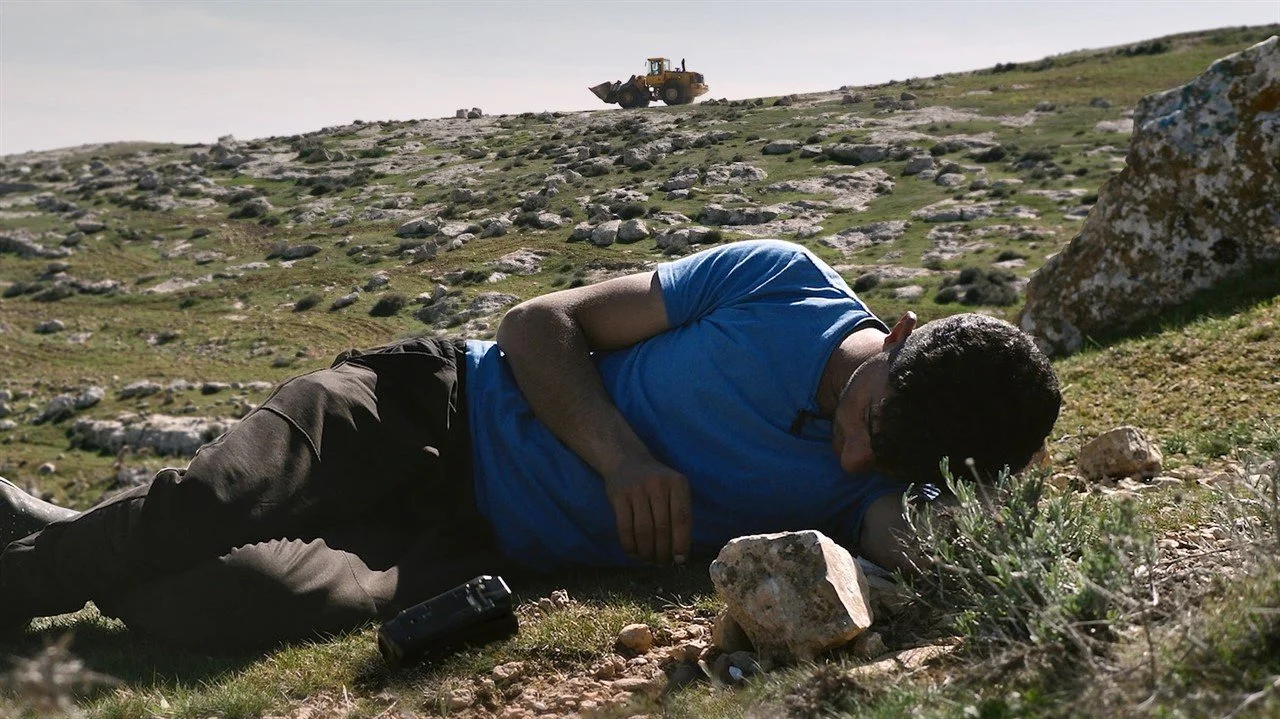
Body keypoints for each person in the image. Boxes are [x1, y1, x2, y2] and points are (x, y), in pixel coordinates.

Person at [0, 239, 1061, 651]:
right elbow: (537, 324)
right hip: (427, 405)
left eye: (893, 463)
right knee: (217, 500)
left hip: (474, 542)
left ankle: (62, 533)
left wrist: (998, 484)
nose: (855, 463)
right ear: (905, 333)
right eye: (873, 425)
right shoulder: (778, 281)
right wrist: (620, 456)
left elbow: (928, 545)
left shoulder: (876, 480)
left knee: (247, 609)